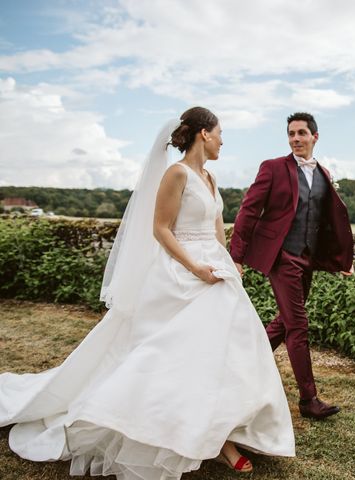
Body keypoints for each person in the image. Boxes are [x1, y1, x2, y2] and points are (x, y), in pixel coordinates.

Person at [0, 107, 295, 479]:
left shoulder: (210, 177)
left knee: (227, 352)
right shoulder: (177, 173)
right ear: (203, 134)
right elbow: (161, 229)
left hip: (216, 272)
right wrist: (195, 268)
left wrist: (228, 263)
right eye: (220, 133)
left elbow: (216, 227)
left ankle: (221, 433)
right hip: (182, 272)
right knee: (173, 355)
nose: (223, 140)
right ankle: (173, 430)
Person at [230, 112, 354, 420]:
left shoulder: (324, 173)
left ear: (315, 136)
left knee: (285, 322)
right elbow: (248, 210)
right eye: (291, 134)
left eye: (301, 133)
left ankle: (240, 362)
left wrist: (340, 260)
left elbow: (328, 222)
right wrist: (236, 256)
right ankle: (308, 400)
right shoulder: (273, 168)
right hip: (282, 256)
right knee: (298, 324)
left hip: (307, 259)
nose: (295, 138)